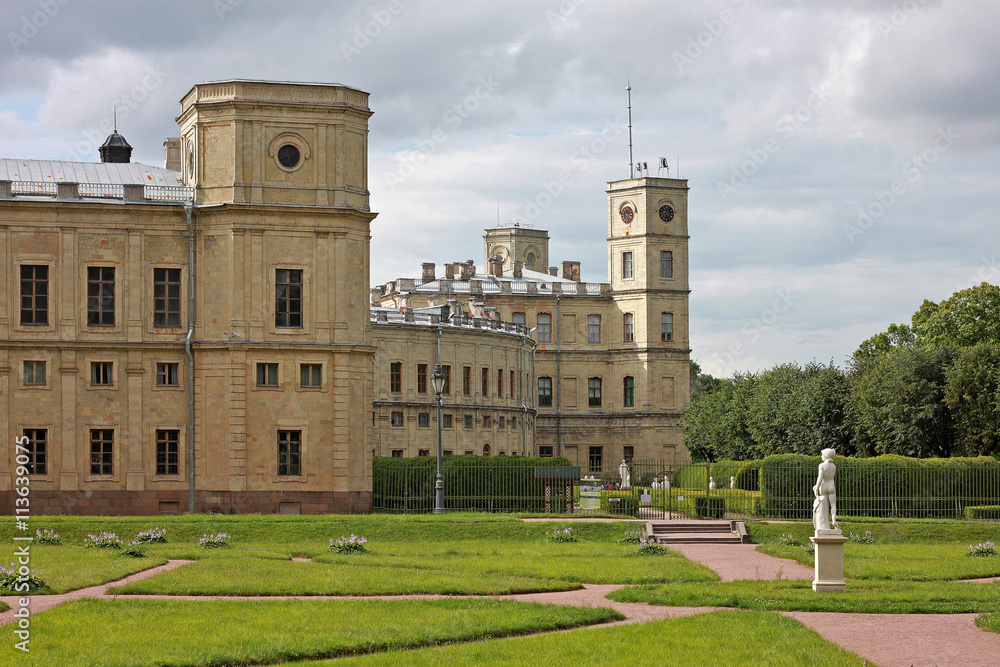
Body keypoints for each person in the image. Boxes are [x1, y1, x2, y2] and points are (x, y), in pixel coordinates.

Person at [813, 448, 838, 531]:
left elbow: (820, 478)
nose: (821, 456)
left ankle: (826, 523)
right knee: (833, 505)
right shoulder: (833, 466)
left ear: (825, 456)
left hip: (824, 486)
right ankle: (834, 520)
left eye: (822, 455)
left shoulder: (822, 465)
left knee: (825, 506)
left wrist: (816, 487)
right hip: (831, 486)